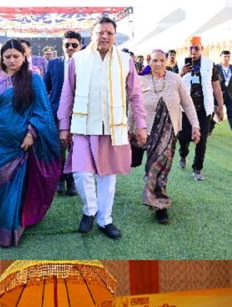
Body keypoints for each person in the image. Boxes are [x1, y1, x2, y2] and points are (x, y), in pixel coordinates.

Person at [0, 39, 61, 248]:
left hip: (22, 141)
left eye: (16, 56)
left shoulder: (32, 78)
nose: (11, 60)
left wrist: (31, 133)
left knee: (18, 182)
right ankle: (4, 224)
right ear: (2, 57)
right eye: (7, 56)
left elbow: (41, 109)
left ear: (23, 57)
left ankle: (12, 227)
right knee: (1, 183)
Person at [58, 17, 147, 240]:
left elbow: (136, 96)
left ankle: (104, 219)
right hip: (82, 126)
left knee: (107, 176)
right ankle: (90, 209)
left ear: (115, 36)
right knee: (80, 173)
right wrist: (63, 125)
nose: (104, 36)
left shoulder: (126, 60)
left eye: (109, 32)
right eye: (100, 32)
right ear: (93, 34)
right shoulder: (77, 59)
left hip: (112, 127)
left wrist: (141, 125)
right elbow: (67, 93)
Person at [138, 49, 200, 224]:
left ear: (167, 61)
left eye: (162, 60)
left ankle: (160, 205)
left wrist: (195, 125)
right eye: (155, 60)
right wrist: (131, 129)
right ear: (149, 61)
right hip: (150, 132)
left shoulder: (175, 79)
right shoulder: (140, 80)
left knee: (162, 166)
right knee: (151, 166)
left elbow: (187, 104)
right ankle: (154, 197)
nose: (158, 64)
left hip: (170, 131)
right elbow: (133, 107)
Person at [177, 36, 225, 181]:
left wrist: (220, 106)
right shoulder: (180, 64)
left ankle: (197, 169)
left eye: (196, 47)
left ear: (201, 49)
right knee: (183, 136)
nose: (193, 50)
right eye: (191, 47)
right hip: (185, 108)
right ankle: (183, 153)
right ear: (187, 49)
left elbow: (216, 87)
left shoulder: (211, 65)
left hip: (204, 109)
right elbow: (172, 84)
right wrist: (181, 73)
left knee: (202, 140)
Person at [43, 30, 83, 196]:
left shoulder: (87, 63)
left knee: (76, 148)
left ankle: (71, 180)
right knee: (59, 148)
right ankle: (59, 178)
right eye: (67, 45)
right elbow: (45, 87)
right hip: (57, 113)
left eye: (74, 45)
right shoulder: (53, 63)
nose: (71, 48)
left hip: (80, 113)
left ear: (80, 46)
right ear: (62, 46)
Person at [215, 50, 232, 131]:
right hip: (218, 95)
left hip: (230, 96)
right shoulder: (215, 68)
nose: (227, 58)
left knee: (231, 114)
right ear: (221, 57)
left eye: (228, 56)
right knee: (214, 115)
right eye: (225, 56)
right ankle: (207, 131)